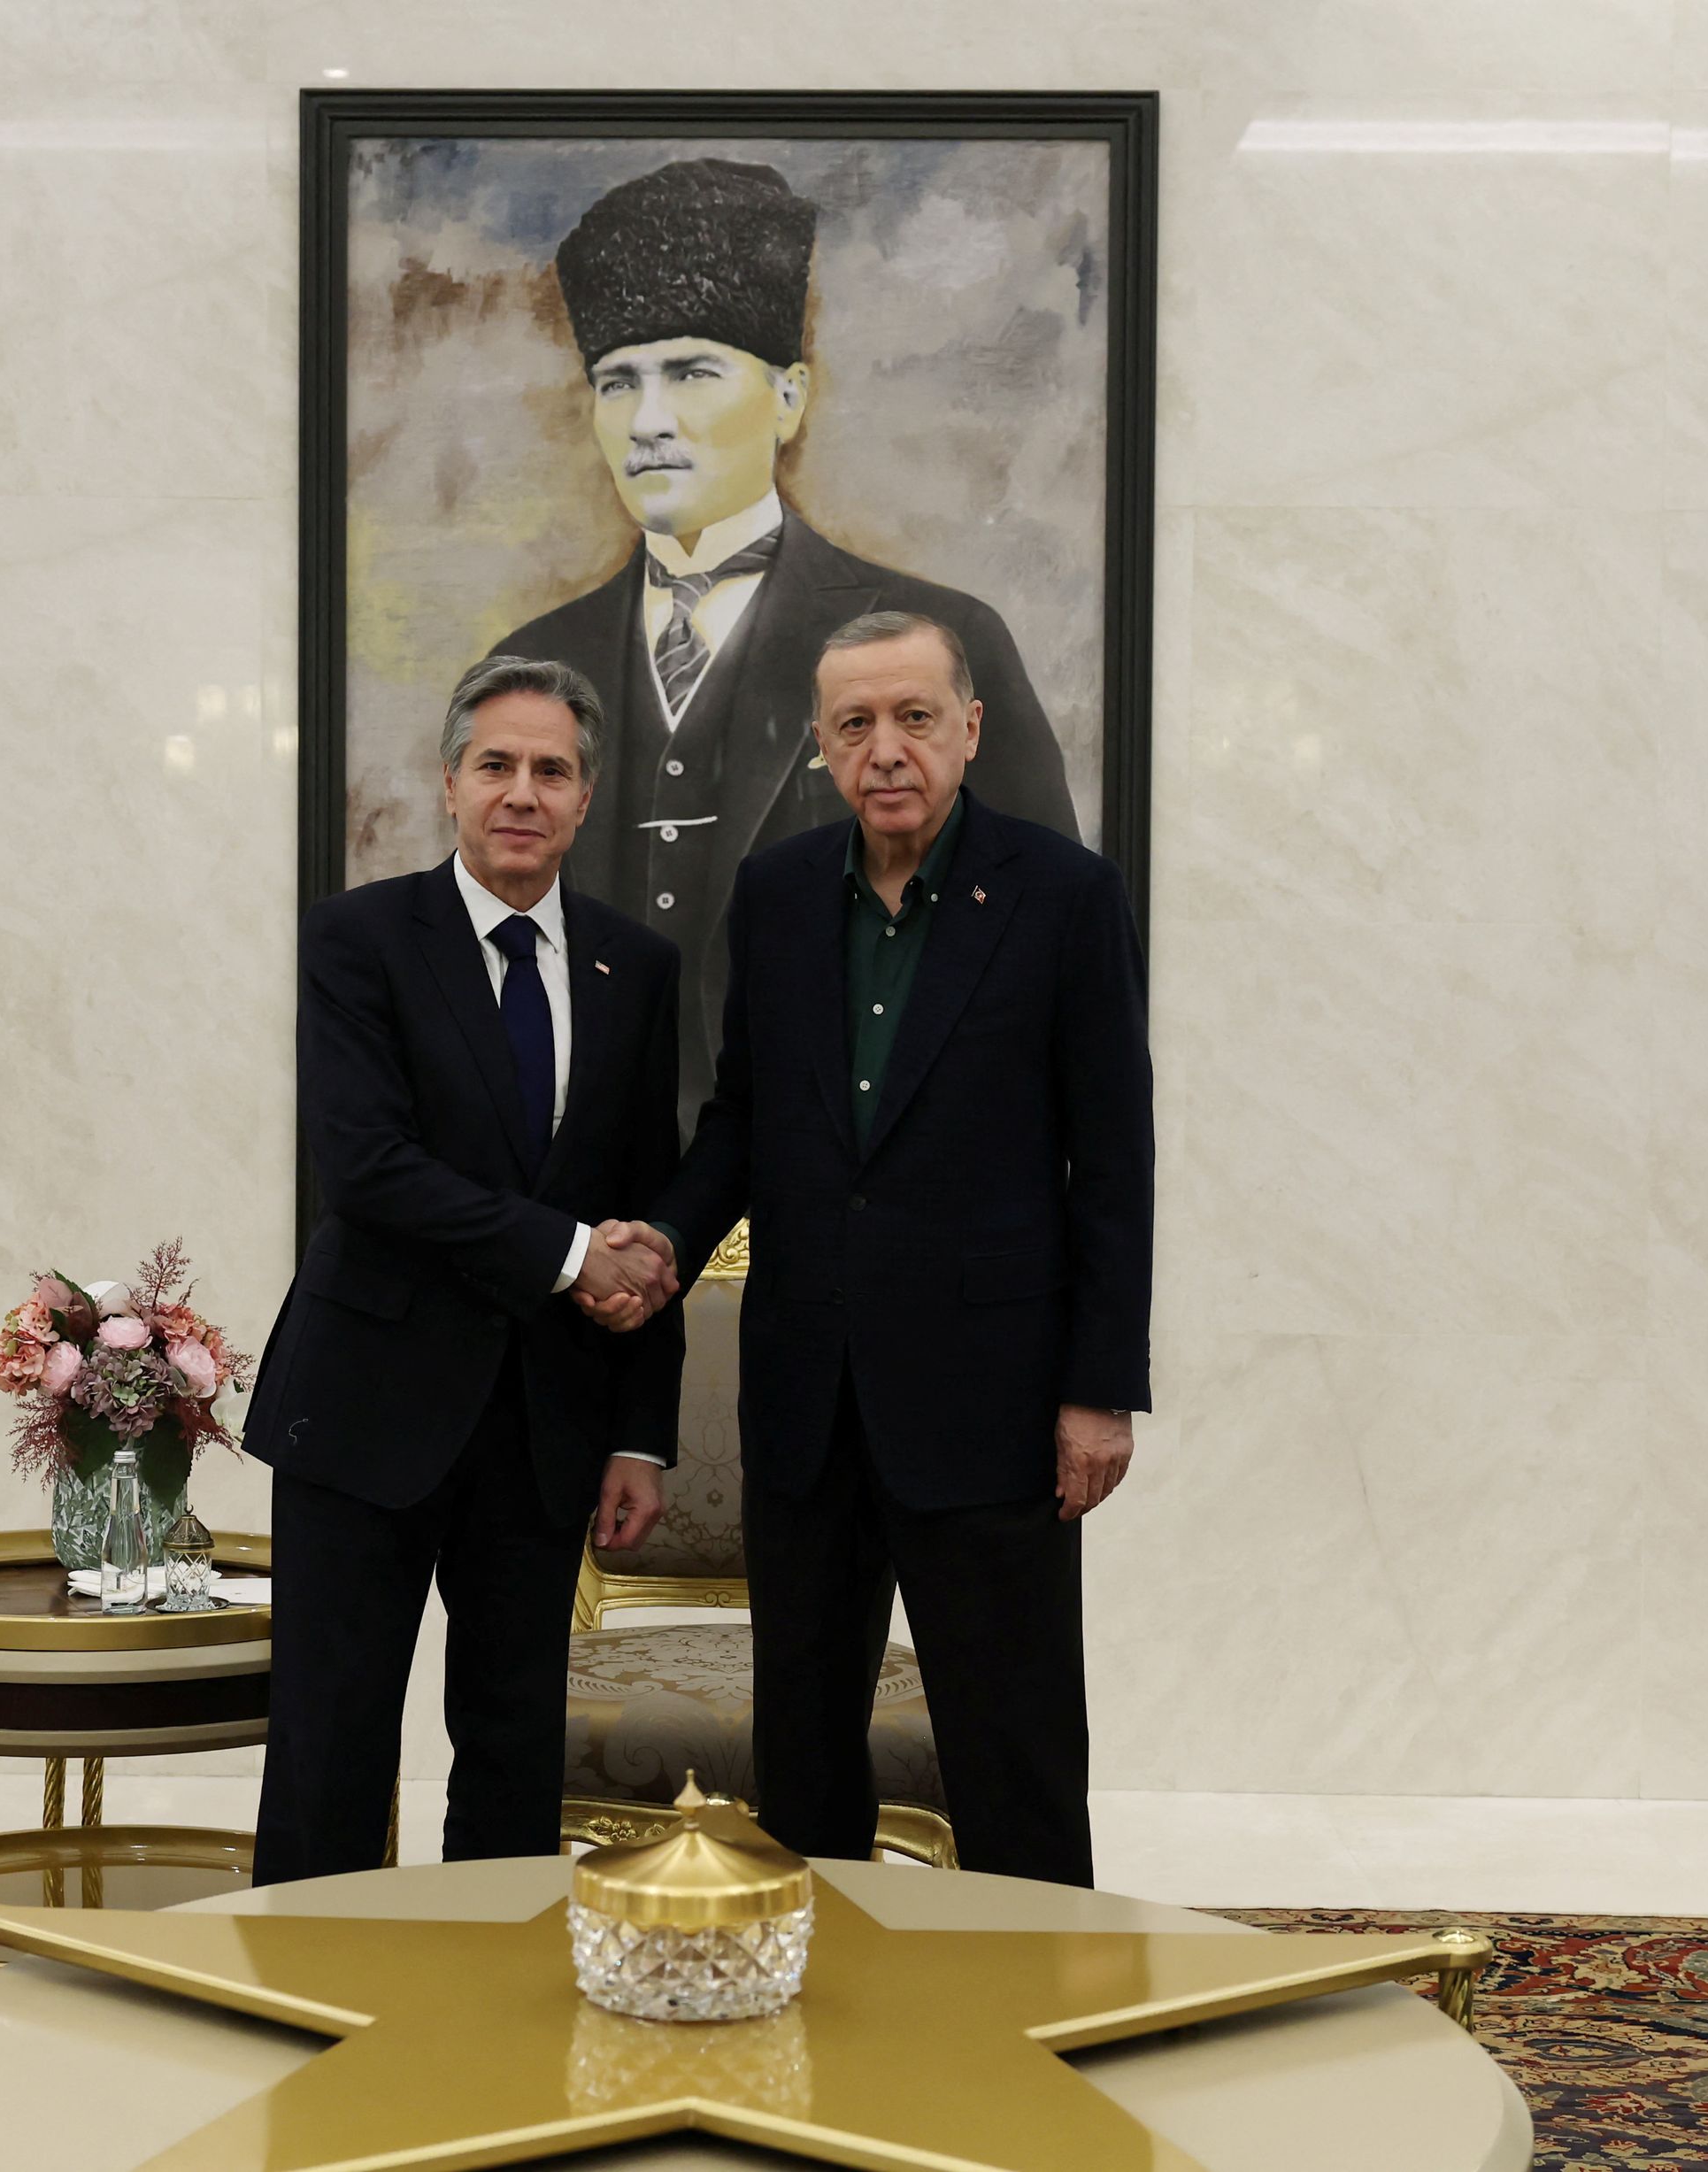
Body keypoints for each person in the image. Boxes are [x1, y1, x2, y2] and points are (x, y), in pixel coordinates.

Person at [592, 609, 1153, 1889]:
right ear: (820, 743)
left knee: (1011, 1753)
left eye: (913, 717)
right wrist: (663, 1237)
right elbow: (742, 1119)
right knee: (803, 1763)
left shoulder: (1064, 896)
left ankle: (1029, 1993)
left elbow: (1114, 1162)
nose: (885, 748)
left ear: (970, 727)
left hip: (993, 1403)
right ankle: (817, 1995)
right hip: (809, 1400)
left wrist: (1098, 1387)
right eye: (854, 723)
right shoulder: (778, 894)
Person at [489, 156, 1081, 1122]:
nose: (647, 422)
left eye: (692, 374)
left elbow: (1043, 944)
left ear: (790, 397)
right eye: (617, 382)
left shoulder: (947, 638)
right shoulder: (529, 666)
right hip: (594, 1183)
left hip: (843, 1169)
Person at [245, 656, 685, 1885]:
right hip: (365, 1409)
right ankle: (305, 1980)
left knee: (511, 1750)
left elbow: (645, 1205)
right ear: (449, 784)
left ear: (586, 797)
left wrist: (641, 1435)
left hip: (544, 1426)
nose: (521, 793)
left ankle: (492, 1981)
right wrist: (570, 1254)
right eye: (496, 764)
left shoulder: (636, 968)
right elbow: (367, 1166)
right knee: (331, 1743)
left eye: (551, 770)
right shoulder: (360, 939)